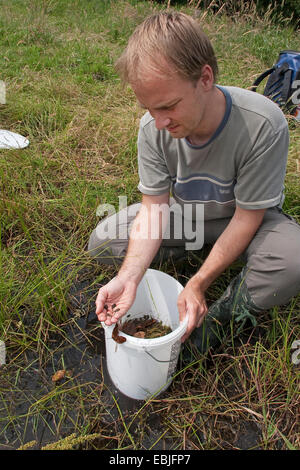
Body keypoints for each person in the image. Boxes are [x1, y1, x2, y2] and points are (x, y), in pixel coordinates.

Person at [88, 11, 300, 355]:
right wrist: (129, 277)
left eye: (169, 106)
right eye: (149, 108)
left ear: (205, 78)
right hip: (189, 220)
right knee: (103, 243)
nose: (159, 122)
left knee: (292, 258)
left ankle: (220, 320)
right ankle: (190, 260)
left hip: (249, 222)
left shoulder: (264, 123)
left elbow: (248, 218)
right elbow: (155, 208)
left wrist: (200, 282)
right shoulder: (152, 129)